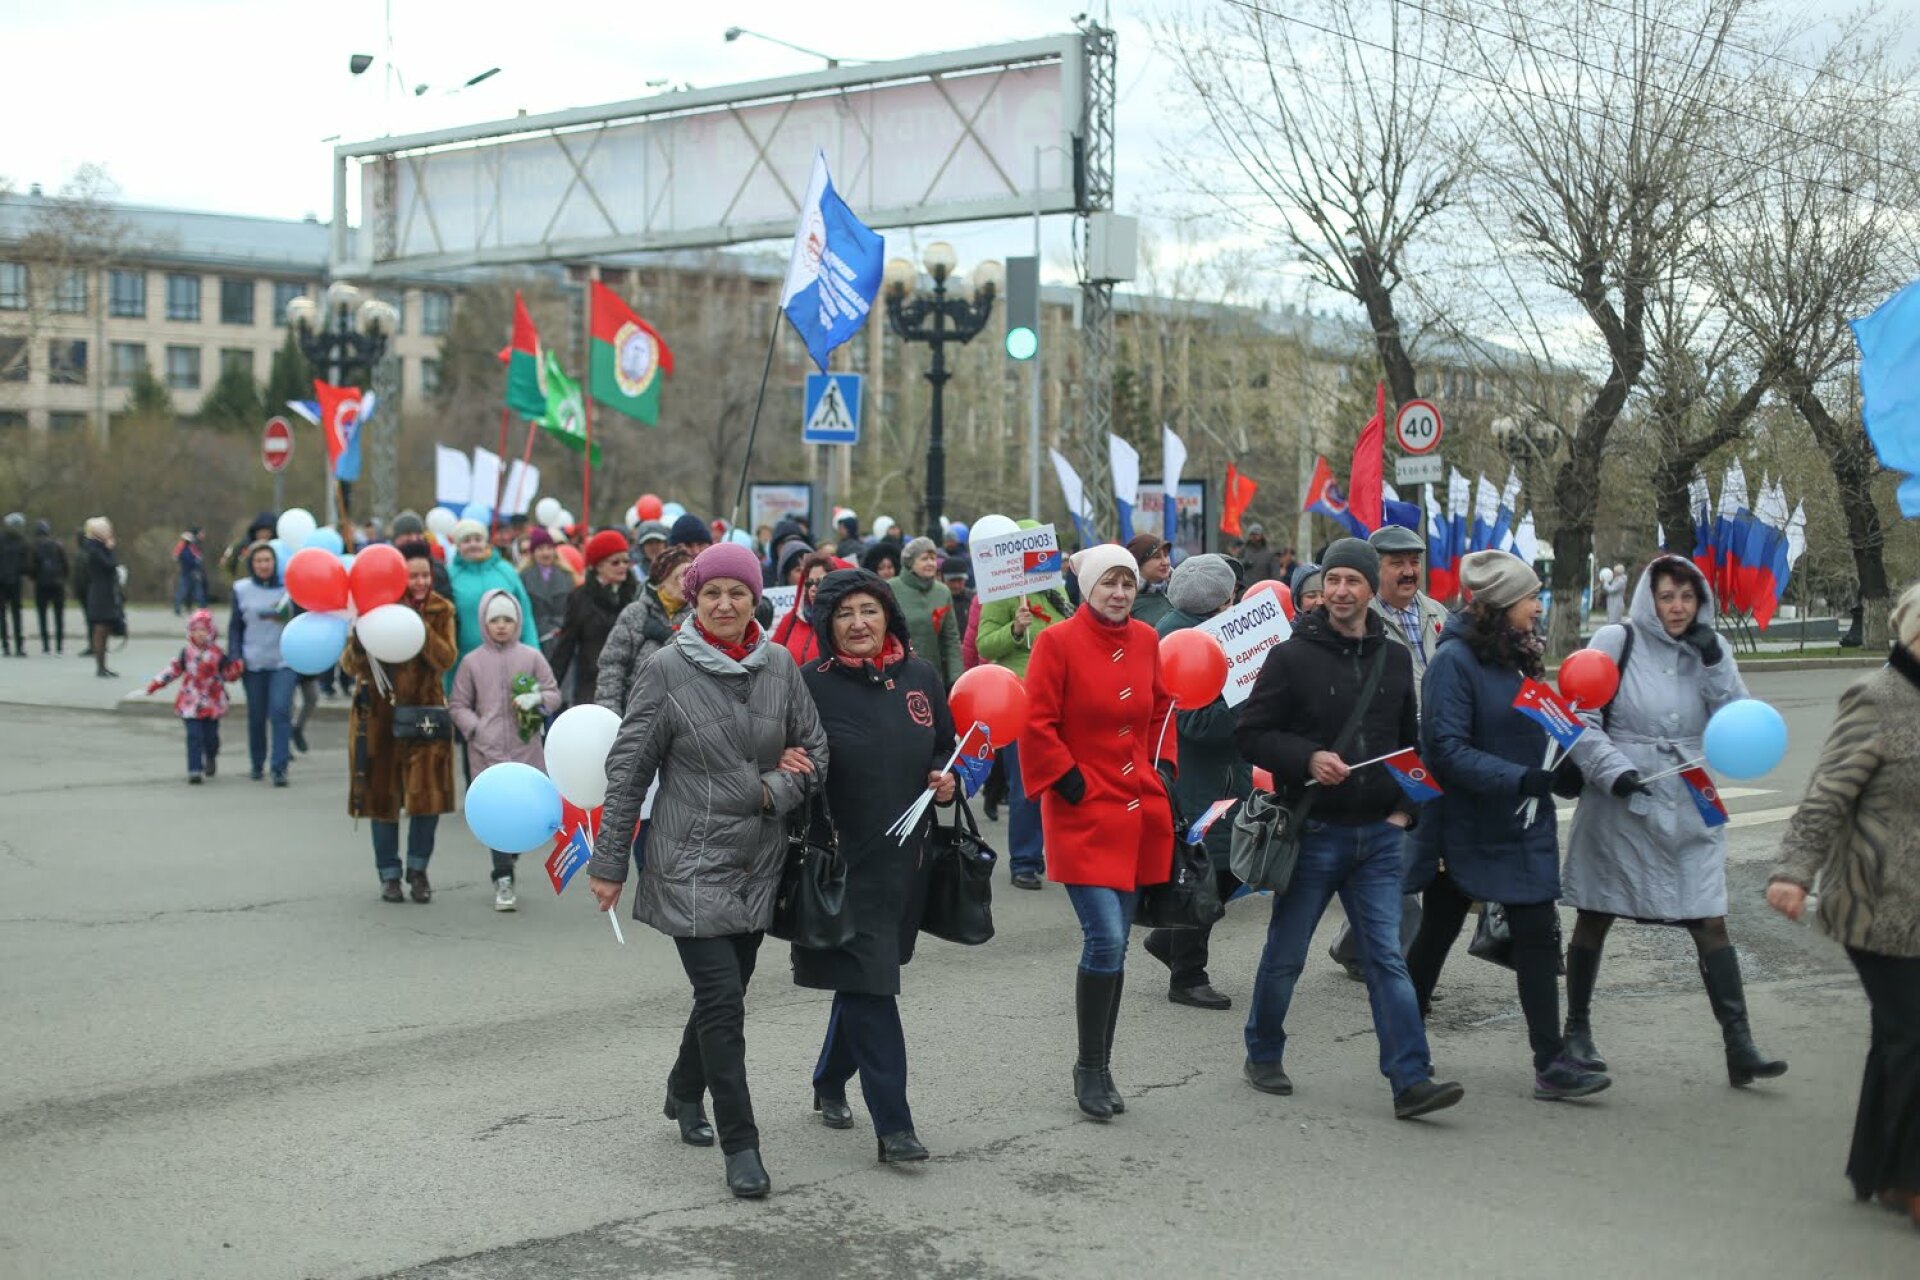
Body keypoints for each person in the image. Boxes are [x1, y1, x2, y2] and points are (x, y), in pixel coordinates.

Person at [585, 542, 828, 1199]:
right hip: (688, 862)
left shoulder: (780, 665)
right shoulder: (665, 669)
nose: (725, 604)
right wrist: (610, 861)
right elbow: (629, 768)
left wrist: (777, 789)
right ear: (694, 599)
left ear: (755, 600)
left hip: (759, 861)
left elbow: (815, 748)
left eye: (737, 593)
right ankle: (741, 1146)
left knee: (728, 991)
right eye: (712, 592)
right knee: (723, 1001)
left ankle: (684, 1087)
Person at [1234, 537, 1464, 1121]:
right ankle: (1263, 1051)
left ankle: (1411, 1079)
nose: (1340, 591)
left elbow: (1410, 747)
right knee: (1287, 953)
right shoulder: (1290, 657)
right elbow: (1253, 735)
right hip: (1314, 834)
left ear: (1369, 589)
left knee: (1387, 958)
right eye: (1332, 580)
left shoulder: (1393, 659)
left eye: (1352, 581)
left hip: (1379, 838)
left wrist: (1405, 812)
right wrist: (1308, 759)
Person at [1563, 556, 1784, 1085]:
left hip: (1687, 797)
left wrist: (1715, 660)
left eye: (1687, 596)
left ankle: (1740, 1045)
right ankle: (1577, 1030)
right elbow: (1579, 716)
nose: (1678, 607)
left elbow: (1736, 718)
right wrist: (1612, 771)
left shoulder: (1712, 647)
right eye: (1667, 597)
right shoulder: (1616, 640)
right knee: (1596, 911)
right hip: (1619, 799)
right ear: (1649, 598)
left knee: (1709, 916)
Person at [1403, 550, 1608, 1101]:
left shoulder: (1520, 658)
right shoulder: (1453, 663)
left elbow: (1546, 732)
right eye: (1530, 598)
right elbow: (1445, 750)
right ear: (1499, 605)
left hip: (1522, 825)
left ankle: (1551, 1064)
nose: (1538, 608)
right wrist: (1520, 779)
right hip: (1465, 826)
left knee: (1537, 933)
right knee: (1437, 933)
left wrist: (1574, 775)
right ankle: (1403, 1041)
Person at [1767, 581, 1920, 1223]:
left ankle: (1874, 1168)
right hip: (1875, 900)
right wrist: (1793, 872)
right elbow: (1827, 793)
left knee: (1898, 1035)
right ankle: (1910, 1180)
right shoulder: (1878, 696)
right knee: (1912, 1034)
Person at [796, 568, 956, 1162]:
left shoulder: (921, 675)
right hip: (843, 865)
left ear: (888, 613)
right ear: (826, 624)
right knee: (873, 987)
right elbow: (783, 753)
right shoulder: (808, 684)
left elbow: (947, 745)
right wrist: (787, 763)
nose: (858, 623)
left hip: (908, 863)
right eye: (844, 613)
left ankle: (827, 1079)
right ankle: (895, 1127)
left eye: (868, 609)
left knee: (868, 979)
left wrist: (948, 779)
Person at [1019, 545, 1178, 1121]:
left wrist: (1163, 766)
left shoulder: (1147, 639)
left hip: (1136, 806)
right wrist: (1067, 780)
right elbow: (1036, 720)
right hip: (1081, 808)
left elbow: (1161, 709)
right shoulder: (1056, 642)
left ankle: (1102, 1066)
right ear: (1088, 588)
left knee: (1119, 942)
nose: (1119, 593)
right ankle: (1089, 1068)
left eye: (1127, 584)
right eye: (1109, 582)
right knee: (1106, 937)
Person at [1327, 524, 1449, 979]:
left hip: (1430, 749)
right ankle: (1403, 966)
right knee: (1399, 854)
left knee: (1415, 848)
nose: (1409, 571)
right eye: (1397, 563)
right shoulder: (1361, 617)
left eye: (1414, 561)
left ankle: (1353, 943)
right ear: (1374, 570)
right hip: (1384, 754)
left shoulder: (1438, 614)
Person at [1142, 553, 1250, 1010]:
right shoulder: (1185, 642)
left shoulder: (1195, 632)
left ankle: (1168, 939)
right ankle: (1188, 976)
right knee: (1207, 872)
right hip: (1199, 780)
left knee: (1226, 870)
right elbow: (1198, 723)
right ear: (1221, 599)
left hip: (1216, 777)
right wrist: (1249, 693)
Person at [342, 540, 458, 903]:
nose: (420, 582)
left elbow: (446, 659)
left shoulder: (441, 609)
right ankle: (389, 874)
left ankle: (418, 871)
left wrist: (416, 627)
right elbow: (350, 665)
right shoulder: (375, 609)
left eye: (425, 575)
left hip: (426, 716)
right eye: (412, 576)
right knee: (382, 798)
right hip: (379, 715)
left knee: (427, 798)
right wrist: (361, 639)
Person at [450, 589, 562, 911]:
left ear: (518, 623)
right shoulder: (472, 662)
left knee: (520, 817)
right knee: (497, 817)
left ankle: (511, 855)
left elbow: (553, 693)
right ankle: (503, 878)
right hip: (487, 752)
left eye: (507, 620)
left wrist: (536, 699)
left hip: (525, 751)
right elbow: (458, 704)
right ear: (484, 623)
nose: (501, 626)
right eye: (495, 620)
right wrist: (476, 728)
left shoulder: (532, 657)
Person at [975, 529, 1075, 890]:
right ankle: (1025, 861)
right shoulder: (1003, 593)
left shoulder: (1057, 588)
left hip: (1063, 697)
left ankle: (1063, 855)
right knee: (1027, 786)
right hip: (1022, 698)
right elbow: (984, 644)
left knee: (1065, 780)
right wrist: (1015, 629)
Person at [144, 608, 241, 783]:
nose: (199, 634)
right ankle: (194, 770)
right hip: (190, 701)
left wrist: (235, 670)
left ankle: (211, 755)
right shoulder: (186, 653)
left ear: (211, 632)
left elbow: (228, 675)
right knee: (194, 735)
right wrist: (156, 684)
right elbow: (173, 670)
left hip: (212, 702)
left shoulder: (218, 654)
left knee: (211, 738)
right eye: (195, 630)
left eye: (203, 630)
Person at [596, 545, 695, 714]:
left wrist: (668, 636)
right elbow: (612, 666)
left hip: (683, 713)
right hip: (636, 712)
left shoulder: (698, 616)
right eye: (679, 576)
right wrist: (610, 713)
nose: (686, 583)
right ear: (661, 582)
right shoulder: (636, 613)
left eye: (690, 576)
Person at [229, 542, 297, 785]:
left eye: (268, 560)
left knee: (280, 711)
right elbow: (235, 627)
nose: (263, 565)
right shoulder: (241, 589)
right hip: (253, 662)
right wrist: (235, 655)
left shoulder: (290, 588)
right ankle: (257, 763)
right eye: (258, 561)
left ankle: (279, 768)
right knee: (257, 715)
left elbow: (302, 621)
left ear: (275, 562)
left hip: (284, 662)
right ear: (252, 564)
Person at [445, 519, 539, 689]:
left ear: (486, 542)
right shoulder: (450, 576)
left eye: (477, 539)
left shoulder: (506, 571)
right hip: (464, 666)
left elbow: (525, 615)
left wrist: (533, 650)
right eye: (466, 540)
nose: (473, 544)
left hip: (509, 663)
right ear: (458, 546)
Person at [551, 530, 638, 709]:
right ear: (598, 565)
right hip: (592, 685)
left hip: (632, 684)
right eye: (615, 562)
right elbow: (566, 646)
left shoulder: (636, 594)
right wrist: (550, 686)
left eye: (626, 561)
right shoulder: (580, 598)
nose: (622, 566)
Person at [890, 537, 962, 689]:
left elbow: (950, 638)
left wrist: (956, 678)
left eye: (933, 558)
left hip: (933, 675)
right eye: (924, 559)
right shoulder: (891, 589)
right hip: (898, 674)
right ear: (910, 562)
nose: (930, 563)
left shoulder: (942, 592)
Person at [75, 518, 125, 677]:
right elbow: (110, 564)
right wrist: (110, 549)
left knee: (105, 627)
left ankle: (103, 665)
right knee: (100, 627)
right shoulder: (94, 549)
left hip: (104, 591)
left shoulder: (97, 547)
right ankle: (100, 667)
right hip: (99, 592)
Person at [519, 528, 576, 662]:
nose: (545, 553)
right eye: (540, 549)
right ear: (533, 552)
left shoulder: (567, 575)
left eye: (549, 548)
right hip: (536, 637)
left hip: (562, 636)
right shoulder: (523, 577)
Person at [770, 552, 836, 666]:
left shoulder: (841, 623)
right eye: (809, 583)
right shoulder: (792, 618)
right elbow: (770, 658)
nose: (813, 589)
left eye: (820, 583)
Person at [28, 520, 67, 654]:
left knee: (42, 615)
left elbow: (32, 568)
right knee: (59, 615)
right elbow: (65, 565)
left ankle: (46, 645)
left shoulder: (35, 547)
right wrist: (62, 578)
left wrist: (34, 578)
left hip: (41, 585)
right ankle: (59, 646)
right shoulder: (58, 546)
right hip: (57, 584)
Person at [1127, 534, 1174, 628]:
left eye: (1166, 555)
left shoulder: (1180, 589)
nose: (1165, 562)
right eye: (1157, 557)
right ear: (1138, 564)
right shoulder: (1128, 602)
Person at [0, 512, 26, 656]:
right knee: (7, 614)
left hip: (11, 581)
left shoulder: (18, 540)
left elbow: (24, 561)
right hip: (7, 582)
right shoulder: (18, 540)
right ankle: (8, 645)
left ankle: (15, 645)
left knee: (13, 614)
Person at [173, 527, 207, 615]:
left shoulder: (188, 548)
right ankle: (201, 607)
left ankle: (197, 607)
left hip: (189, 572)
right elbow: (190, 560)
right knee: (191, 591)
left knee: (191, 591)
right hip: (190, 572)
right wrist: (196, 562)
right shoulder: (186, 549)